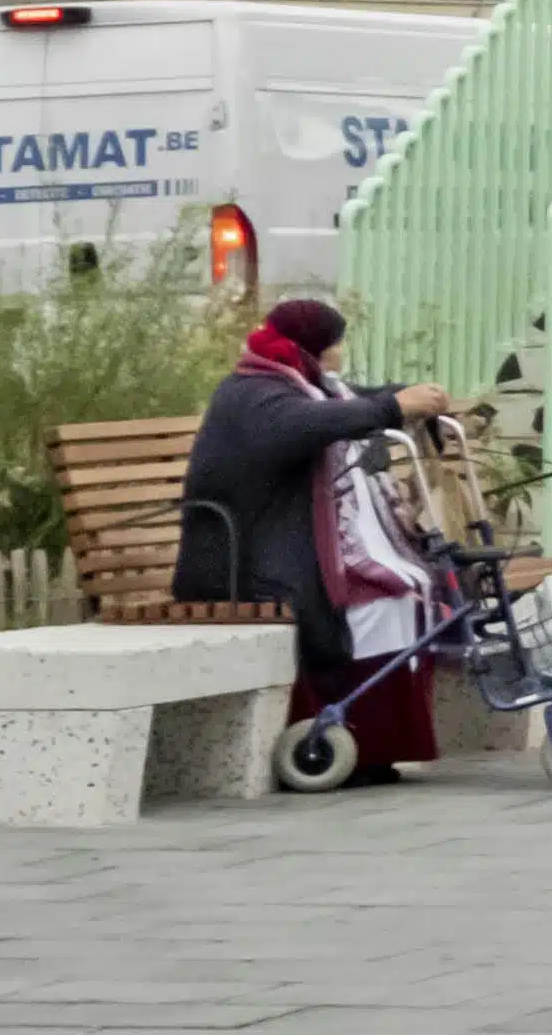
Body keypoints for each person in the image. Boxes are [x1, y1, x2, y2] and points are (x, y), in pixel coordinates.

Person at [172, 293, 418, 738]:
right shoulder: (255, 395)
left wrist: (406, 396)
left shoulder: (291, 383)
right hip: (242, 564)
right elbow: (304, 424)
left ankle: (372, 743)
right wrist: (394, 409)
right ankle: (345, 736)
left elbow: (350, 399)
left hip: (278, 545)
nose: (340, 355)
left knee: (397, 594)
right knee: (370, 603)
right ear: (310, 348)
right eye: (334, 345)